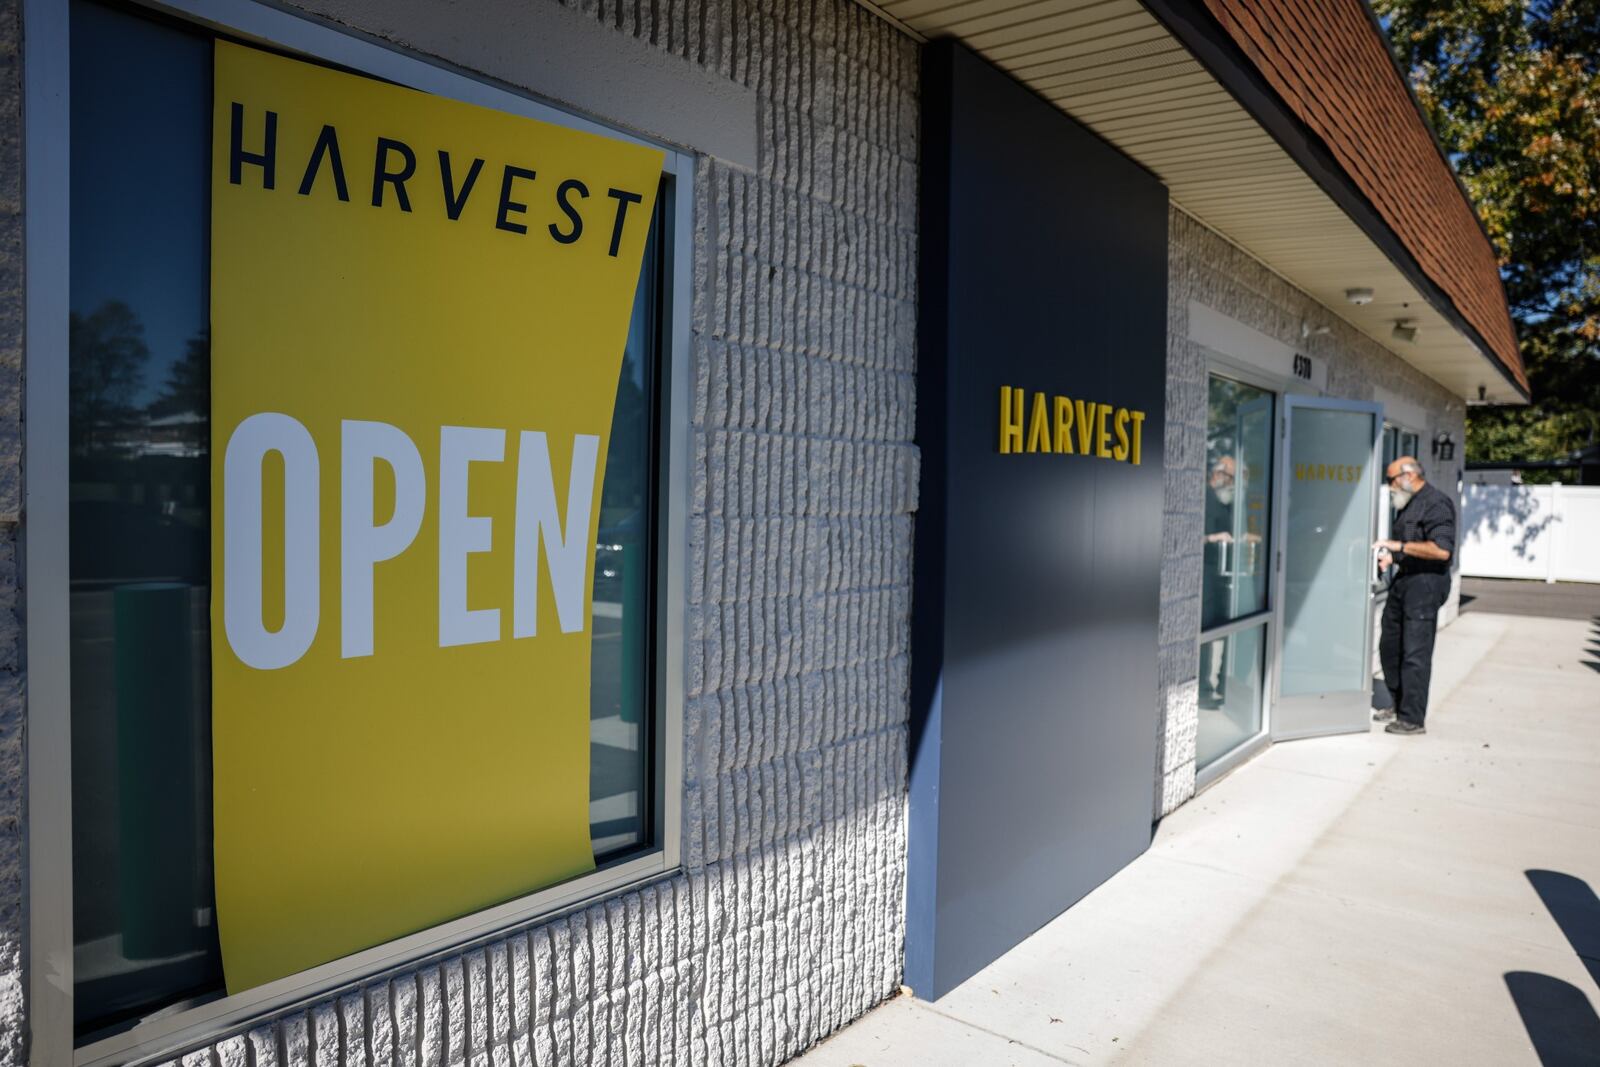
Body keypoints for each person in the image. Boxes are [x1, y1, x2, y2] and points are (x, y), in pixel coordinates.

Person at [1373, 456, 1455, 736]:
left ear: (1408, 475)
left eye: (1391, 480)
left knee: (1415, 651)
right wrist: (1391, 556)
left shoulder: (1436, 503)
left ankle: (1412, 718)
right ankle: (1397, 704)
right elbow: (1409, 546)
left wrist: (1399, 545)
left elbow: (1441, 550)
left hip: (1426, 583)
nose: (1390, 486)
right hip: (1405, 579)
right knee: (1390, 644)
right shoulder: (1408, 503)